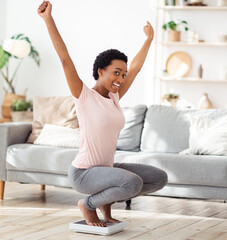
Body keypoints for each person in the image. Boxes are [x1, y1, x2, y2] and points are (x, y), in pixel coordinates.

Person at [38, 1, 168, 227]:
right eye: (116, 72)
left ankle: (105, 208)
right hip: (84, 173)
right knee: (133, 184)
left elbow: (135, 67)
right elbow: (64, 58)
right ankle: (88, 204)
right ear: (101, 71)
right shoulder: (84, 96)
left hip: (105, 170)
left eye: (123, 75)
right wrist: (48, 19)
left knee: (159, 178)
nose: (120, 79)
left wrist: (148, 40)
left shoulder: (114, 97)